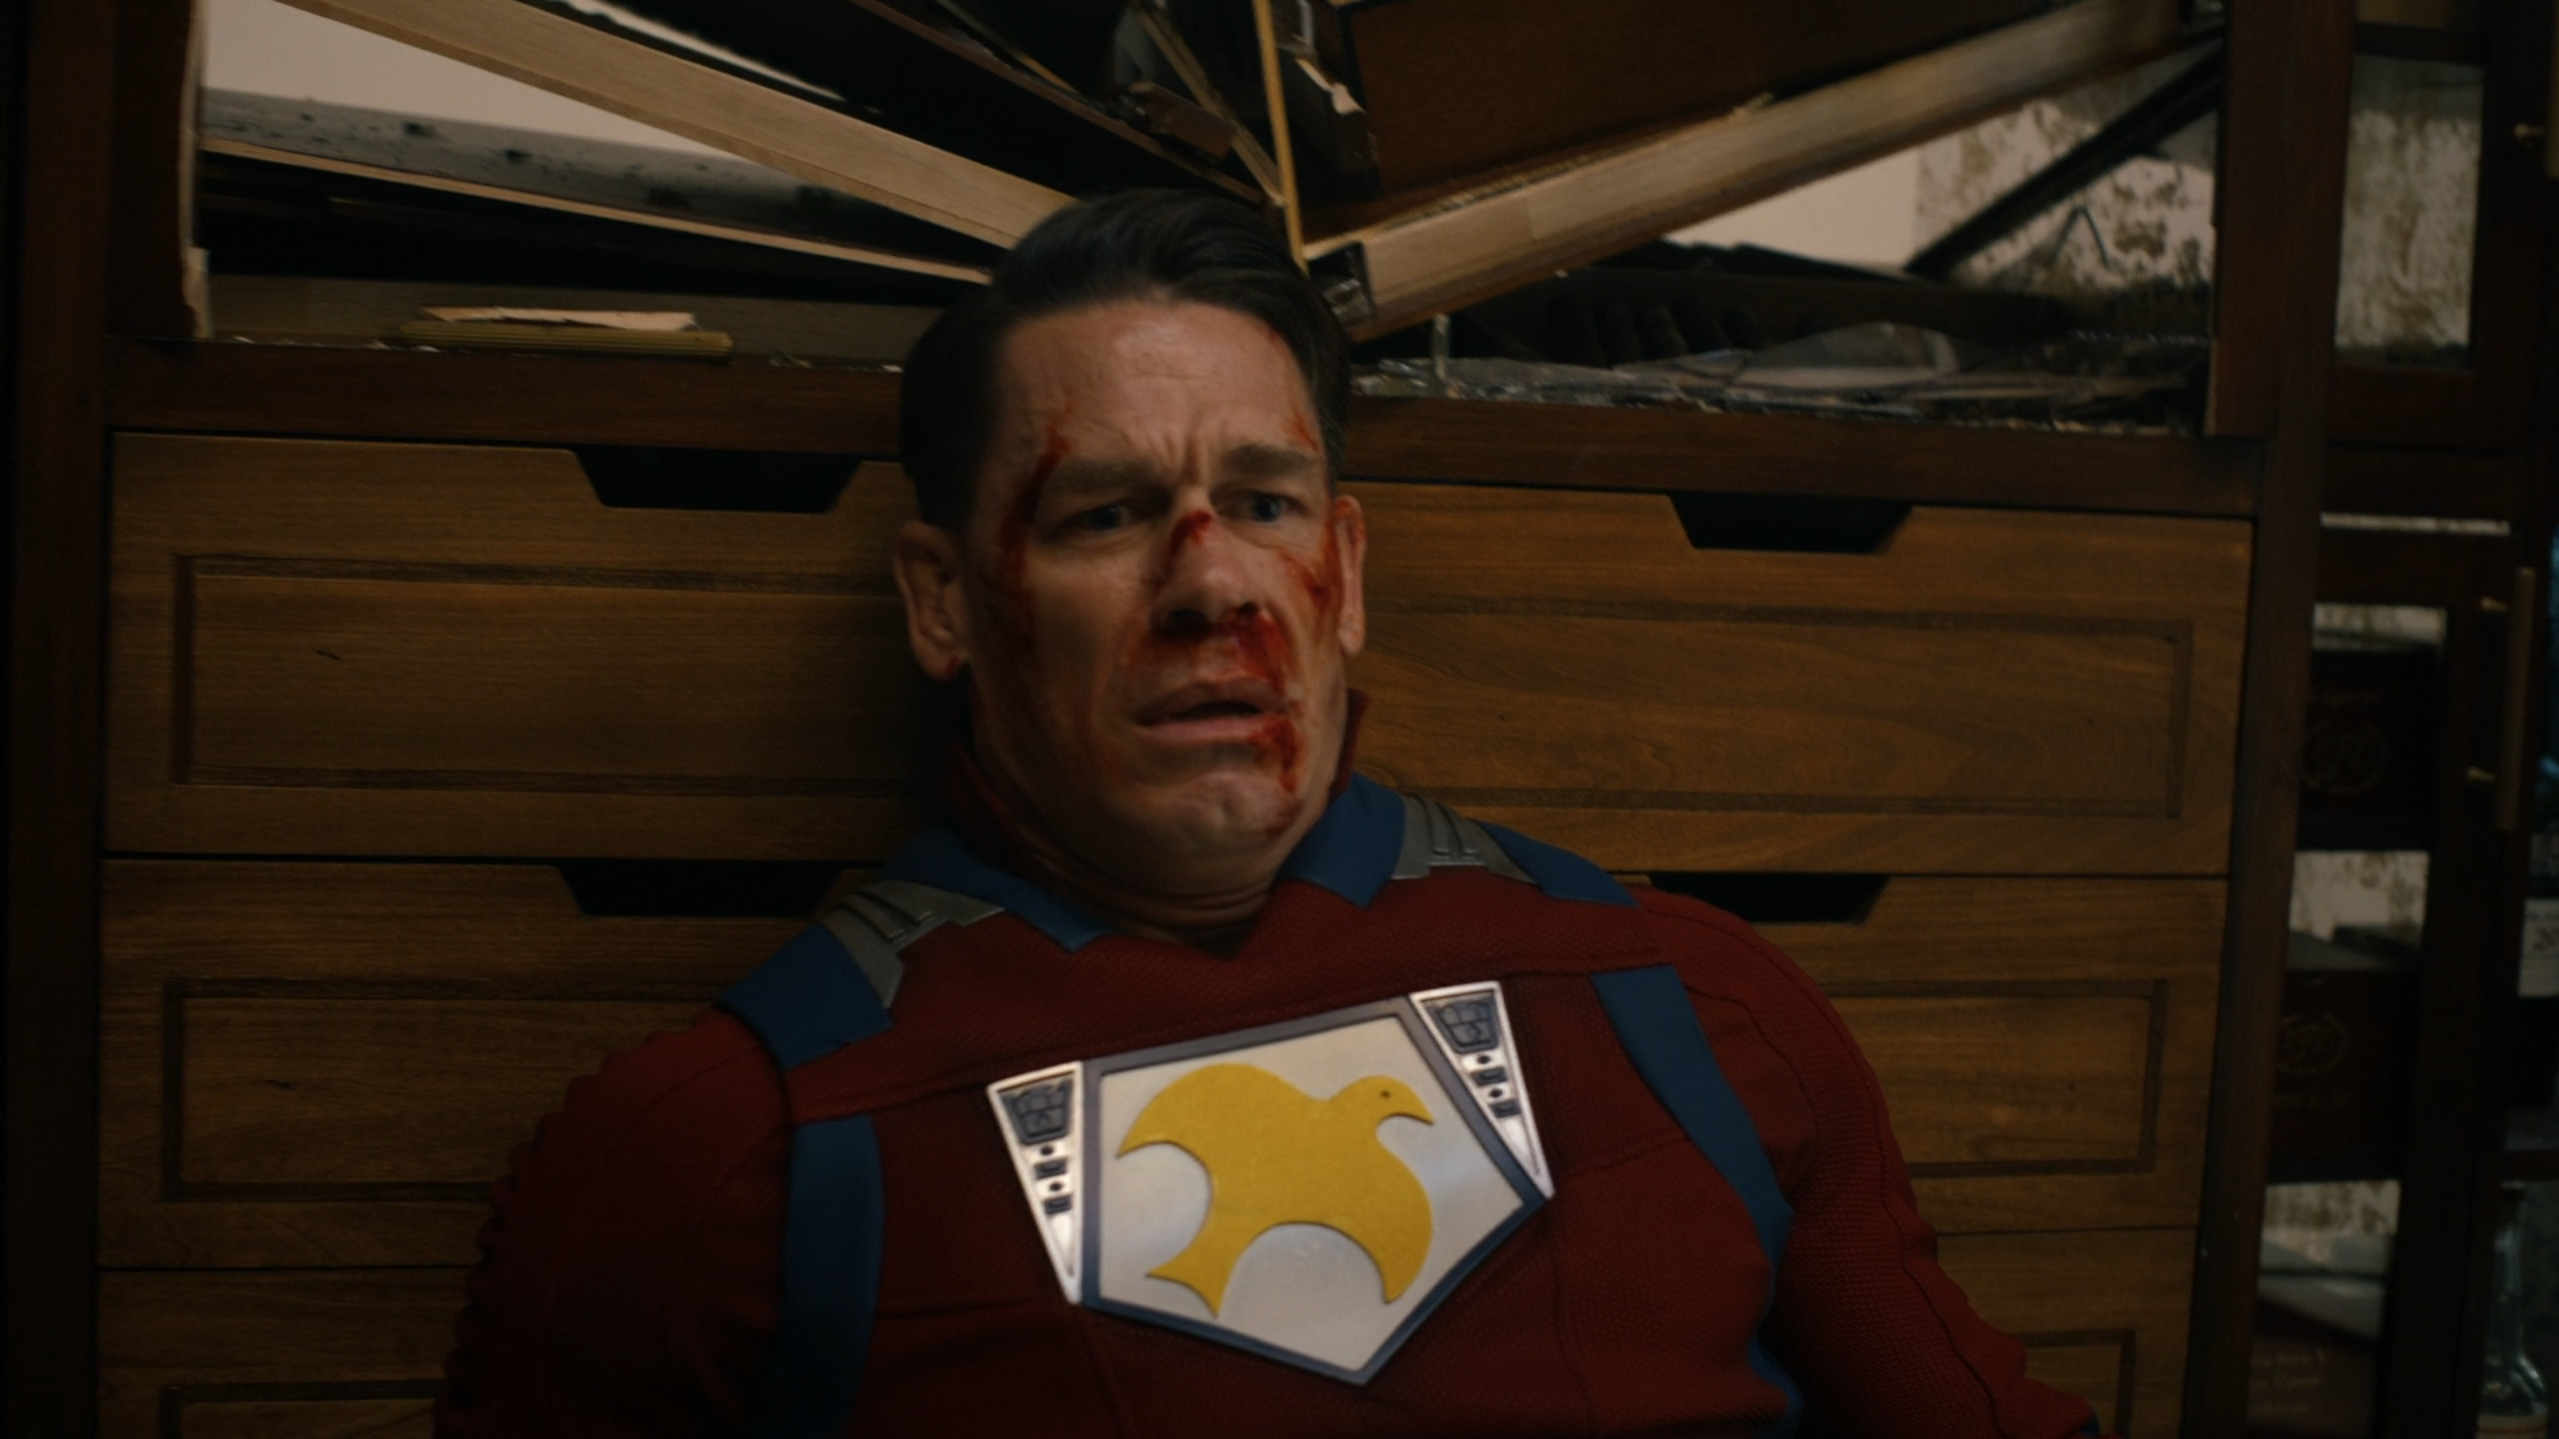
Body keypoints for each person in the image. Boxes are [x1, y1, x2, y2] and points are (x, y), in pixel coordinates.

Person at [436, 189, 2110, 1438]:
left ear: (1346, 569)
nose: (1212, 584)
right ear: (942, 600)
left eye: (1262, 500)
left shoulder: (1700, 1013)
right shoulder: (710, 1160)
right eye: (1103, 513)